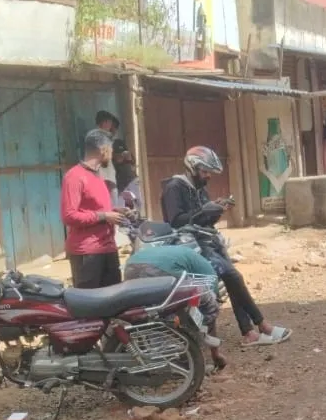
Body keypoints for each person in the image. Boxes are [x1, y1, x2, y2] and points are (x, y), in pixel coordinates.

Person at [160, 146, 291, 347]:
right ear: (193, 168)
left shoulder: (200, 188)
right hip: (191, 246)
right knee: (233, 277)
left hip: (209, 241)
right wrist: (205, 211)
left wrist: (217, 209)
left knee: (233, 281)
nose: (208, 176)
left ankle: (249, 332)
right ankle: (262, 326)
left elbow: (205, 220)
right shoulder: (175, 187)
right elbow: (176, 221)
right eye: (205, 171)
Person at [125, 222, 227, 369]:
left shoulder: (180, 254)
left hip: (130, 266)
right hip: (160, 269)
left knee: (153, 310)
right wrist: (216, 354)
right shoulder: (208, 273)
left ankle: (151, 352)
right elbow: (210, 303)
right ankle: (191, 351)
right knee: (208, 306)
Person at [61, 129, 124, 288]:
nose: (112, 154)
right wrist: (104, 216)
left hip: (108, 248)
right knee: (89, 300)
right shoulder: (75, 176)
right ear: (103, 150)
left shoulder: (98, 176)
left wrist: (116, 213)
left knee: (115, 298)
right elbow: (69, 215)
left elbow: (97, 209)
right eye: (111, 150)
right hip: (87, 253)